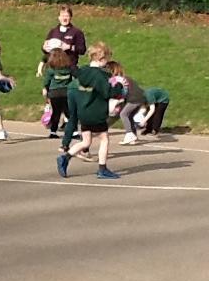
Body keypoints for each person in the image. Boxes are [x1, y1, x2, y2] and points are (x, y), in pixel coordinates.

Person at [56, 42, 123, 180]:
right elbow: (108, 92)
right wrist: (119, 86)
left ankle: (65, 157)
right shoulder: (100, 76)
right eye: (107, 58)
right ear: (101, 58)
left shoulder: (83, 71)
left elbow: (74, 71)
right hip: (95, 112)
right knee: (104, 139)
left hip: (84, 112)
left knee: (86, 142)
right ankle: (102, 169)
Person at [37, 5, 87, 77]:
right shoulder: (53, 31)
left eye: (67, 16)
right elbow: (45, 48)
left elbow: (82, 50)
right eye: (62, 16)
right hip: (53, 67)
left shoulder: (77, 32)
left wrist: (69, 47)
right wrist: (44, 47)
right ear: (59, 17)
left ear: (70, 17)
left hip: (69, 67)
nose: (64, 18)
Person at [108, 61, 146, 145]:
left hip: (134, 99)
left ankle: (129, 134)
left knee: (123, 114)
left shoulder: (115, 80)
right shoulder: (125, 78)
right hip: (141, 97)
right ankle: (133, 136)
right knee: (129, 116)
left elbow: (121, 93)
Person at [41, 48, 74, 139]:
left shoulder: (51, 70)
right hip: (66, 92)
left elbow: (47, 82)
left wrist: (45, 90)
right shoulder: (68, 69)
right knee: (69, 112)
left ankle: (53, 131)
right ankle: (74, 131)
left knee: (56, 113)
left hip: (55, 93)